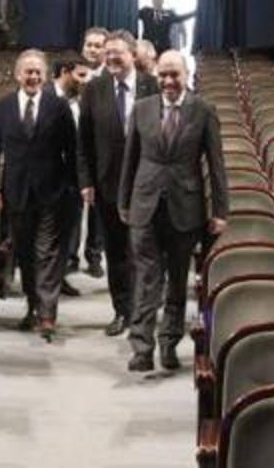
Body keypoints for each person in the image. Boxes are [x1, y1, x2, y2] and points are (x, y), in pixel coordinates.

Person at [118, 50, 228, 371]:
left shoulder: (204, 110)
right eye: (163, 74)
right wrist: (124, 201)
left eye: (174, 75)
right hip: (145, 205)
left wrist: (220, 210)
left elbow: (216, 165)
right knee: (147, 278)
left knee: (178, 280)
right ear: (155, 75)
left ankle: (169, 343)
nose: (168, 81)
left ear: (186, 75)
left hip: (186, 208)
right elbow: (130, 160)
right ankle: (141, 347)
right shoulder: (141, 109)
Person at [0, 49, 77, 340]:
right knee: (25, 254)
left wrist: (73, 186)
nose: (33, 76)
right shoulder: (1, 107)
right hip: (15, 192)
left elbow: (73, 151)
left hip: (53, 191)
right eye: (28, 71)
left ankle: (47, 314)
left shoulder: (58, 107)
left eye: (38, 72)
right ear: (17, 75)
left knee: (47, 253)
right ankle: (33, 305)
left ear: (45, 76)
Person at [78, 30, 159, 336]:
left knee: (144, 251)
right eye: (108, 52)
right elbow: (83, 141)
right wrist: (86, 180)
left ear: (133, 55)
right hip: (107, 183)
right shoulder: (94, 88)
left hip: (147, 184)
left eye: (118, 52)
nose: (111, 57)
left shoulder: (152, 86)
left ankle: (142, 310)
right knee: (116, 251)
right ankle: (122, 310)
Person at [51, 56, 91, 297]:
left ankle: (60, 276)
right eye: (81, 76)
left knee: (68, 231)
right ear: (65, 72)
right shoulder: (44, 97)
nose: (85, 82)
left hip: (73, 179)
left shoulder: (79, 102)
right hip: (49, 178)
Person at [77, 25, 111, 276]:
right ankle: (69, 256)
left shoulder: (109, 78)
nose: (92, 49)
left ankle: (94, 255)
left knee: (99, 208)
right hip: (73, 150)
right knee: (72, 207)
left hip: (99, 151)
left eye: (98, 46)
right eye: (89, 44)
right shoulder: (71, 73)